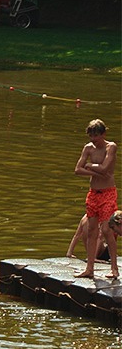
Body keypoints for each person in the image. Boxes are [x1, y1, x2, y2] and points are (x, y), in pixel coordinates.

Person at [74, 119, 118, 280]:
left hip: (108, 192)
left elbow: (106, 167)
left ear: (103, 134)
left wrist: (90, 166)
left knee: (107, 230)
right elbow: (77, 169)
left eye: (96, 136)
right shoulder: (88, 148)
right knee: (91, 231)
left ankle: (114, 268)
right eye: (91, 136)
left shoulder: (110, 146)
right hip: (93, 193)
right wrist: (96, 171)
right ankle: (89, 268)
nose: (93, 139)